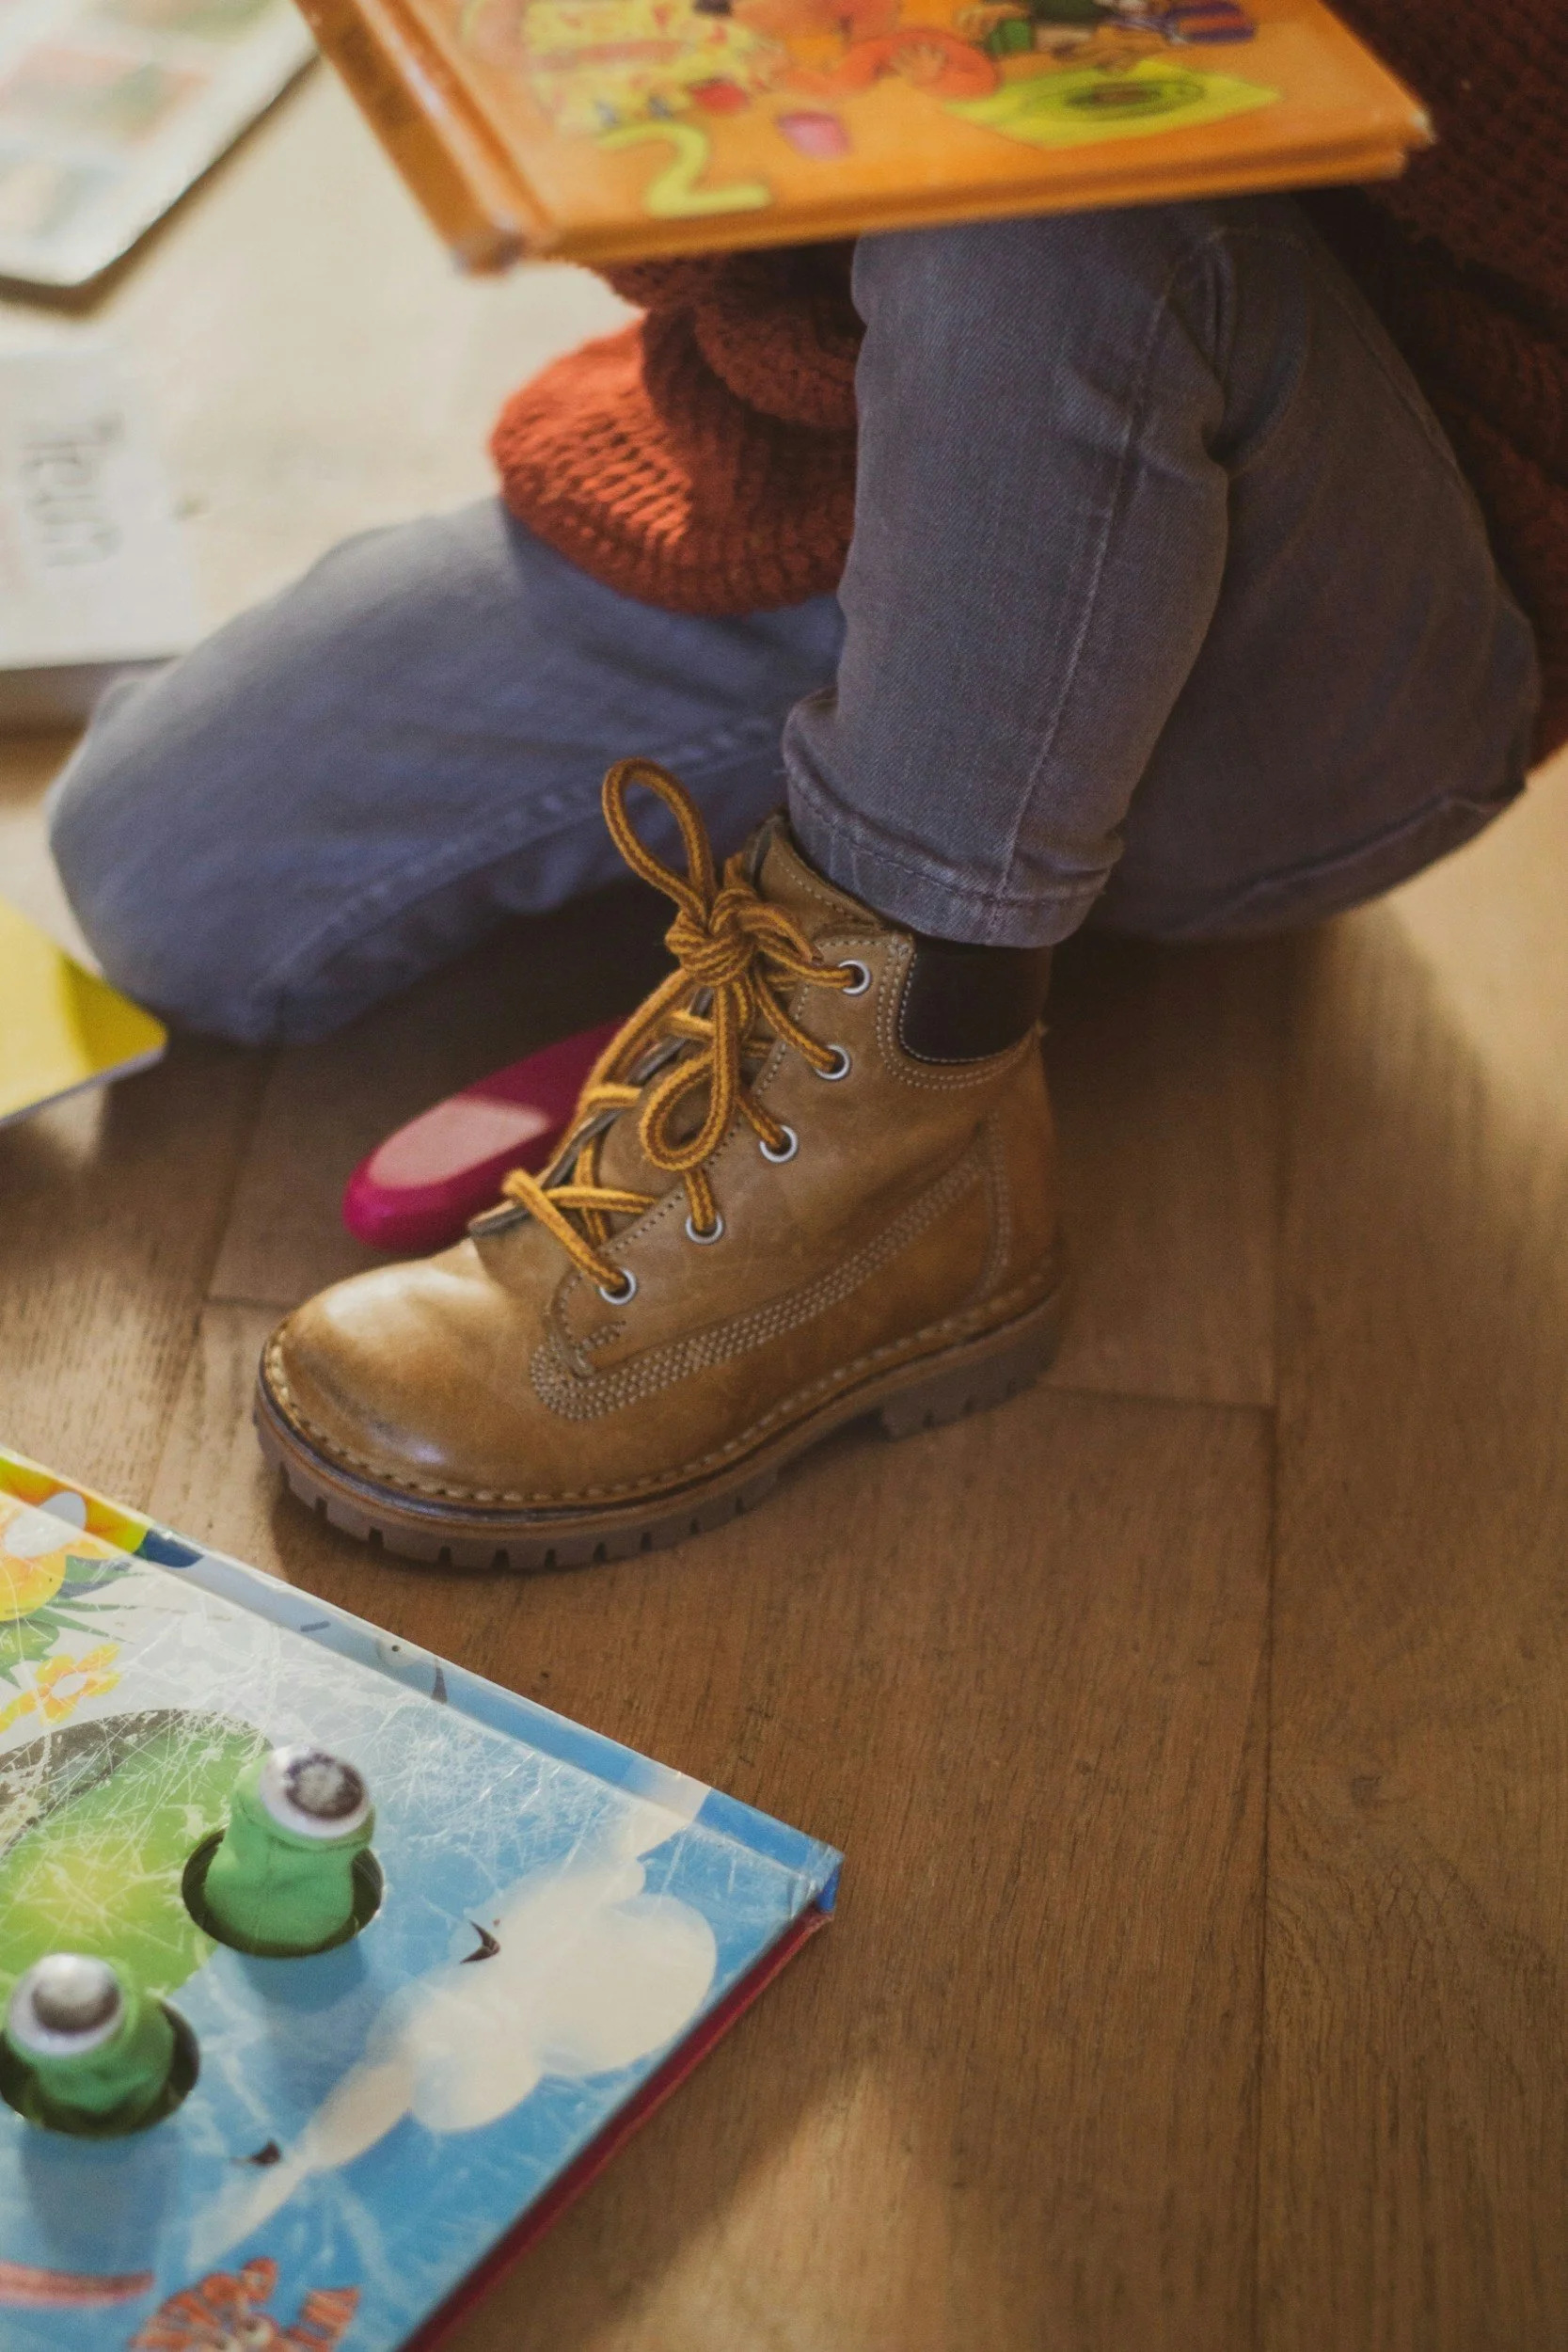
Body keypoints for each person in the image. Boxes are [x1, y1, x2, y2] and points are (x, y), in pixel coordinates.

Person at [47, 0, 1564, 1566]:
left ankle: (914, 1112)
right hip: (873, 455)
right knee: (167, 865)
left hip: (1323, 611)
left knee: (1052, 181)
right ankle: (954, 812)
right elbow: (706, 198)